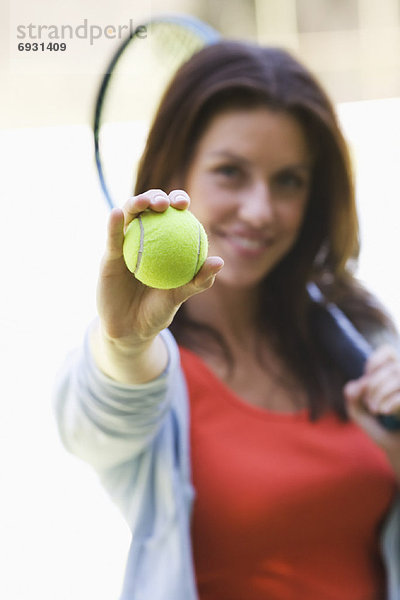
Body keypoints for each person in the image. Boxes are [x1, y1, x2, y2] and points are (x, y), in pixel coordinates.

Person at [54, 40, 400, 600]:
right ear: (175, 176)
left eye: (289, 180)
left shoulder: (366, 334)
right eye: (230, 172)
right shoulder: (144, 365)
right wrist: (125, 343)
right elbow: (90, 420)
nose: (261, 210)